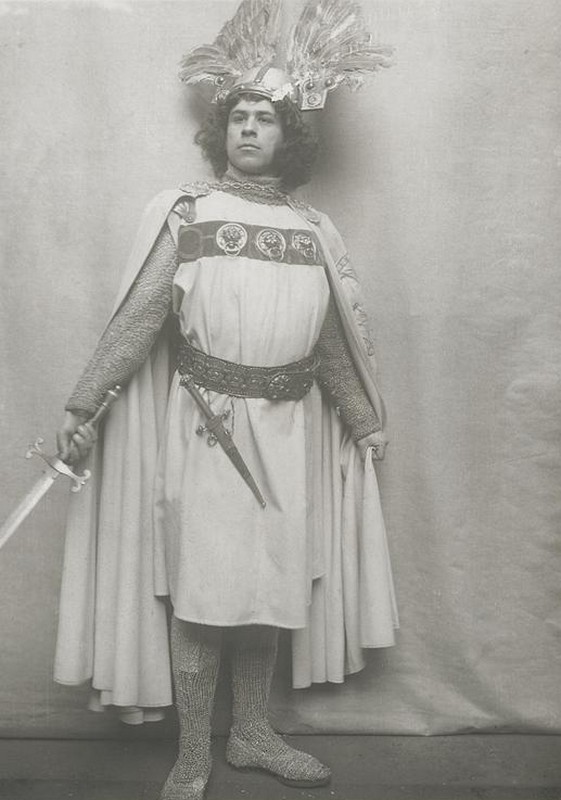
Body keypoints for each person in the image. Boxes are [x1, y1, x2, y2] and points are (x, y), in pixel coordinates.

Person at [54, 2, 398, 798]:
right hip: (207, 430)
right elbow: (140, 320)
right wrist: (83, 403)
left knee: (268, 589)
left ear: (289, 135)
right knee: (206, 591)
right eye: (238, 117)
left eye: (264, 118)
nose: (248, 128)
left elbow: (329, 345)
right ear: (222, 130)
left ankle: (249, 734)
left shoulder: (313, 231)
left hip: (289, 432)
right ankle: (192, 751)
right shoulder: (190, 214)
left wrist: (363, 422)